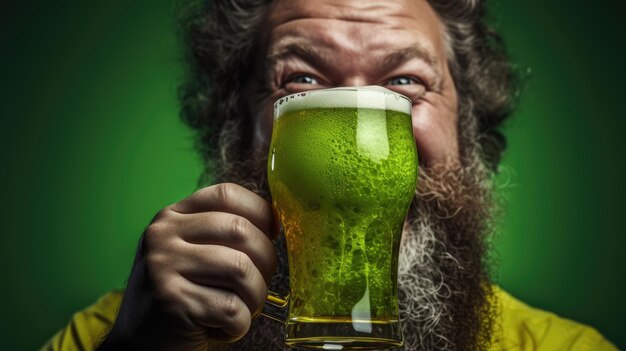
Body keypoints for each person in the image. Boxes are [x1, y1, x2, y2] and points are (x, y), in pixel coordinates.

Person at [42, 0, 617, 350]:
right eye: (304, 80)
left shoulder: (563, 348)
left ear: (467, 124)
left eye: (404, 82)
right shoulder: (123, 335)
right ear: (237, 123)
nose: (356, 149)